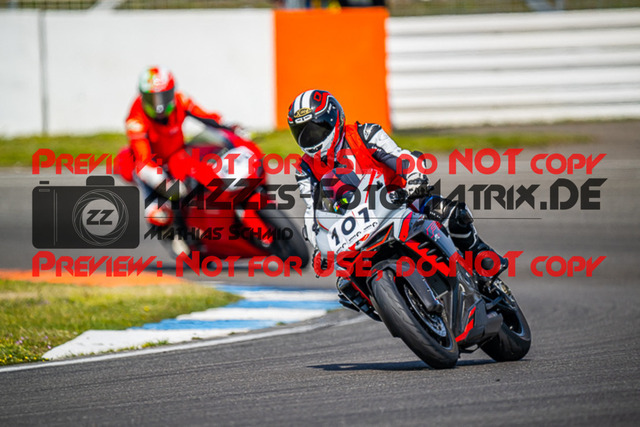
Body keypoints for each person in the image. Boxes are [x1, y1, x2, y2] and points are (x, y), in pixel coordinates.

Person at [287, 89, 507, 306]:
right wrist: (319, 245)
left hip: (400, 199)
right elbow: (313, 211)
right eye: (302, 133)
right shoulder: (305, 169)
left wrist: (415, 178)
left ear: (334, 119)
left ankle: (480, 258)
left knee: (451, 213)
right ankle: (391, 304)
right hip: (355, 225)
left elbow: (400, 157)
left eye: (316, 130)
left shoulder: (365, 134)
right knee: (345, 286)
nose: (311, 139)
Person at [124, 66, 233, 252]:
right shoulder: (135, 119)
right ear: (143, 97)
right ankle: (175, 236)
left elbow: (206, 116)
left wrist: (229, 127)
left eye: (163, 97)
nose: (159, 105)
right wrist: (165, 185)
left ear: (172, 92)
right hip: (152, 170)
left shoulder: (181, 100)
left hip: (177, 155)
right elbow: (143, 161)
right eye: (153, 99)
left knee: (206, 174)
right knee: (158, 215)